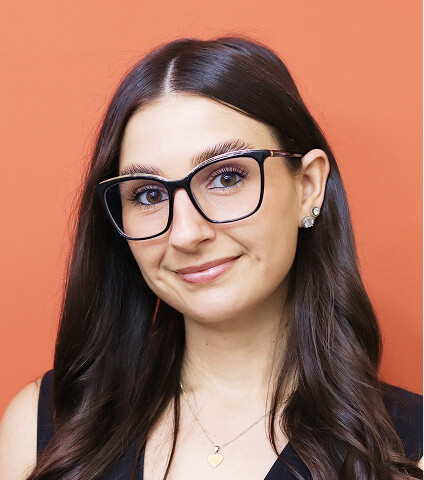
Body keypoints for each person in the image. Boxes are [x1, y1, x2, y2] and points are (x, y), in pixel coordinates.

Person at [0, 36, 422, 480]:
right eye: (148, 195)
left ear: (307, 187)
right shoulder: (43, 431)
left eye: (226, 178)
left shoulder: (409, 453)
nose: (186, 233)